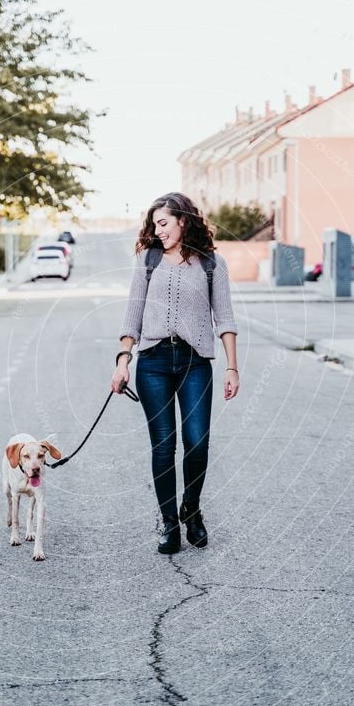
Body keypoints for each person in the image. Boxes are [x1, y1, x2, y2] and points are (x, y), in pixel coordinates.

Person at [111, 192, 239, 554]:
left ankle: (192, 510)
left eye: (164, 223)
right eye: (154, 225)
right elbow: (131, 317)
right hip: (152, 363)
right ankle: (169, 522)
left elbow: (225, 319)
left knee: (197, 443)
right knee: (164, 446)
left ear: (183, 220)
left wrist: (232, 367)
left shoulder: (212, 264)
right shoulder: (147, 261)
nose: (158, 230)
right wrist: (123, 361)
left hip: (195, 362)